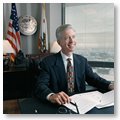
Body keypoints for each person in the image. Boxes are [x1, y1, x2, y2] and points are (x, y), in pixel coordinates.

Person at [35, 24, 114, 105]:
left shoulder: (82, 61)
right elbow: (40, 85)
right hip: (60, 105)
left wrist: (110, 85)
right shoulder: (48, 62)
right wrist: (51, 96)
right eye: (67, 38)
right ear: (59, 42)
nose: (72, 41)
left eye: (73, 36)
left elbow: (94, 79)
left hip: (81, 105)